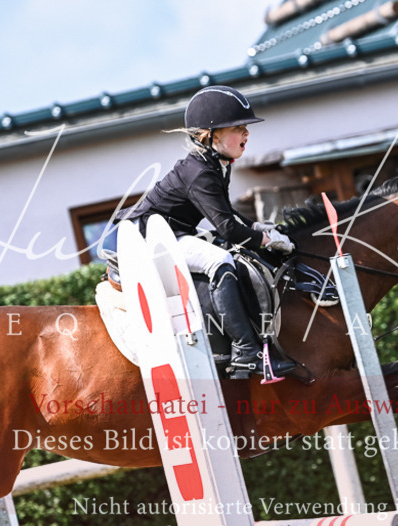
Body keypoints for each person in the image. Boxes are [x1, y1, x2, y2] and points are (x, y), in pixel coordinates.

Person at [122, 85, 296, 381]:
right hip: (148, 242)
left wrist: (258, 227)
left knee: (231, 255)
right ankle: (246, 352)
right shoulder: (201, 171)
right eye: (238, 128)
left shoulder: (213, 163)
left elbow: (224, 212)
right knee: (221, 262)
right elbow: (227, 228)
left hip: (169, 234)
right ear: (211, 134)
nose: (246, 134)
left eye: (245, 128)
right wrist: (267, 241)